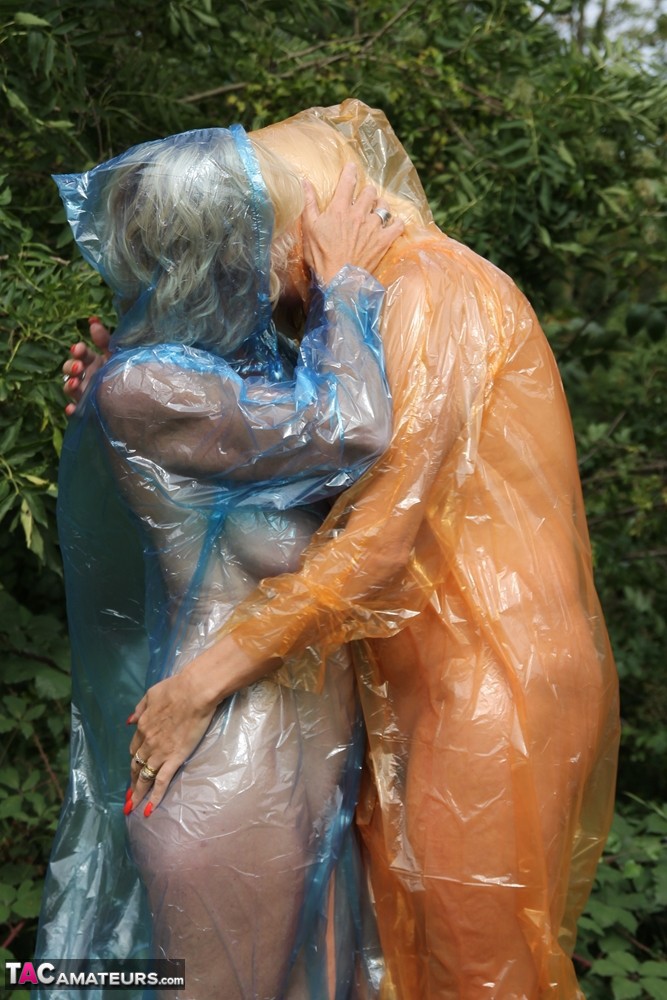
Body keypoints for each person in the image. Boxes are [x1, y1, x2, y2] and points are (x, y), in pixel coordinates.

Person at [64, 100, 620, 999]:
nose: (261, 286)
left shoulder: (429, 289)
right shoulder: (340, 330)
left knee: (475, 975)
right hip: (386, 706)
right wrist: (126, 388)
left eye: (257, 247)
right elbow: (304, 464)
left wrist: (200, 684)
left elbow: (377, 539)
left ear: (307, 221)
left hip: (483, 685)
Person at [38, 125, 404, 999]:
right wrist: (348, 280)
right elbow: (355, 428)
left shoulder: (224, 379)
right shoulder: (149, 385)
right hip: (225, 780)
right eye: (278, 225)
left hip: (303, 775)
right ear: (228, 248)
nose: (297, 242)